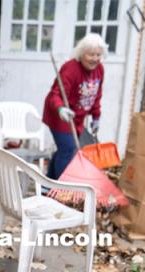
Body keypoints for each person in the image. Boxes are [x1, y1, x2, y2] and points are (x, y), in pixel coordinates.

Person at [43, 33, 108, 180]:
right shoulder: (70, 69)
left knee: (64, 150)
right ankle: (62, 190)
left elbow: (96, 95)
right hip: (60, 116)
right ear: (82, 53)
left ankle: (48, 185)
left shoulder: (99, 70)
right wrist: (61, 109)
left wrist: (96, 117)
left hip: (77, 118)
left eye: (98, 54)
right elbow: (55, 94)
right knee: (68, 149)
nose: (95, 59)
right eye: (91, 54)